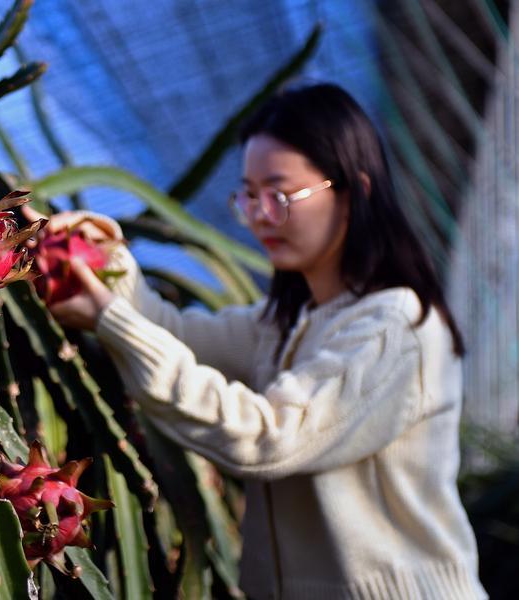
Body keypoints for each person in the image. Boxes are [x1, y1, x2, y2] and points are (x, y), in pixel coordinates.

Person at [41, 84, 487, 599]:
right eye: (249, 195)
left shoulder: (396, 328)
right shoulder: (285, 322)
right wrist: (103, 259)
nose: (259, 216)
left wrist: (111, 318)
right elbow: (177, 335)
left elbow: (270, 436)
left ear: (353, 192)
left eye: (280, 195)